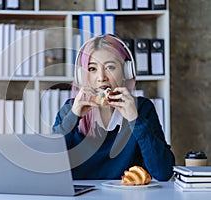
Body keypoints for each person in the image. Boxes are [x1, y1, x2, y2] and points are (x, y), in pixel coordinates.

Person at [52, 34, 175, 181]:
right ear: (81, 75)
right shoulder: (70, 109)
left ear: (126, 72)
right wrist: (73, 116)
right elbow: (50, 165)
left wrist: (135, 120)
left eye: (110, 67)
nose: (101, 77)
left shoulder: (142, 108)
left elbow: (163, 172)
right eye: (92, 69)